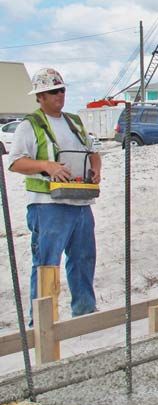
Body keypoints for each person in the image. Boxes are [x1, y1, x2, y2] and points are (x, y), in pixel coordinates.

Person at [8, 68, 100, 320]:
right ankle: (41, 321)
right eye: (53, 91)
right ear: (40, 96)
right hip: (47, 205)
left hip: (79, 200)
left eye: (61, 90)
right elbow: (15, 162)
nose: (59, 95)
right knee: (47, 262)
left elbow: (92, 152)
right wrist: (46, 166)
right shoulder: (30, 125)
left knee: (83, 258)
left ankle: (84, 312)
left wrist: (96, 170)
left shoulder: (74, 122)